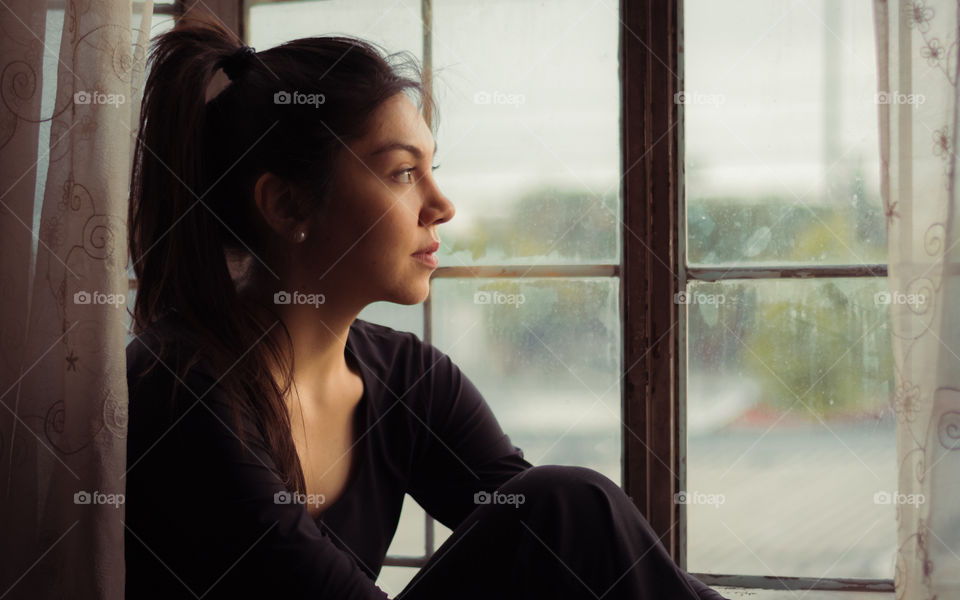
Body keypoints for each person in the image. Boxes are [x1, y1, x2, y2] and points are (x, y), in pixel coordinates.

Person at [125, 8, 729, 600]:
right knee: (566, 500)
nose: (442, 204)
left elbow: (572, 553)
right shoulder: (181, 388)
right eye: (401, 173)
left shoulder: (410, 379)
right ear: (287, 206)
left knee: (565, 509)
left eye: (430, 168)